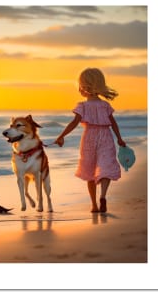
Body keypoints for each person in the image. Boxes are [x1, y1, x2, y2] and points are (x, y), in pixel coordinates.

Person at [55, 68, 126, 213]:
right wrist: (119, 138)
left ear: (83, 87)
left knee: (90, 171)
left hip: (89, 138)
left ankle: (94, 205)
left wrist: (61, 136)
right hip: (105, 137)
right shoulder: (105, 105)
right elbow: (113, 123)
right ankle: (103, 196)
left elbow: (74, 123)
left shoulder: (82, 106)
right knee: (106, 166)